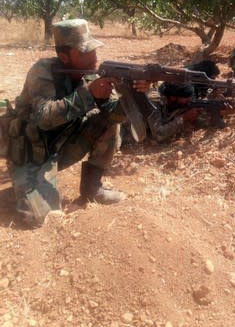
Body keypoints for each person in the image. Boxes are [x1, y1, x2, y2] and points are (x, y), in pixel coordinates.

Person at [5, 18, 149, 226]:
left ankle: (92, 187)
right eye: (84, 52)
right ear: (64, 56)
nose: (94, 57)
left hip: (62, 146)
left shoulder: (89, 74)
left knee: (106, 121)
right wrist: (88, 95)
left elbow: (111, 114)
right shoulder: (42, 72)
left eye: (93, 49)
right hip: (31, 153)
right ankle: (21, 191)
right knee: (37, 218)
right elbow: (44, 118)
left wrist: (133, 94)